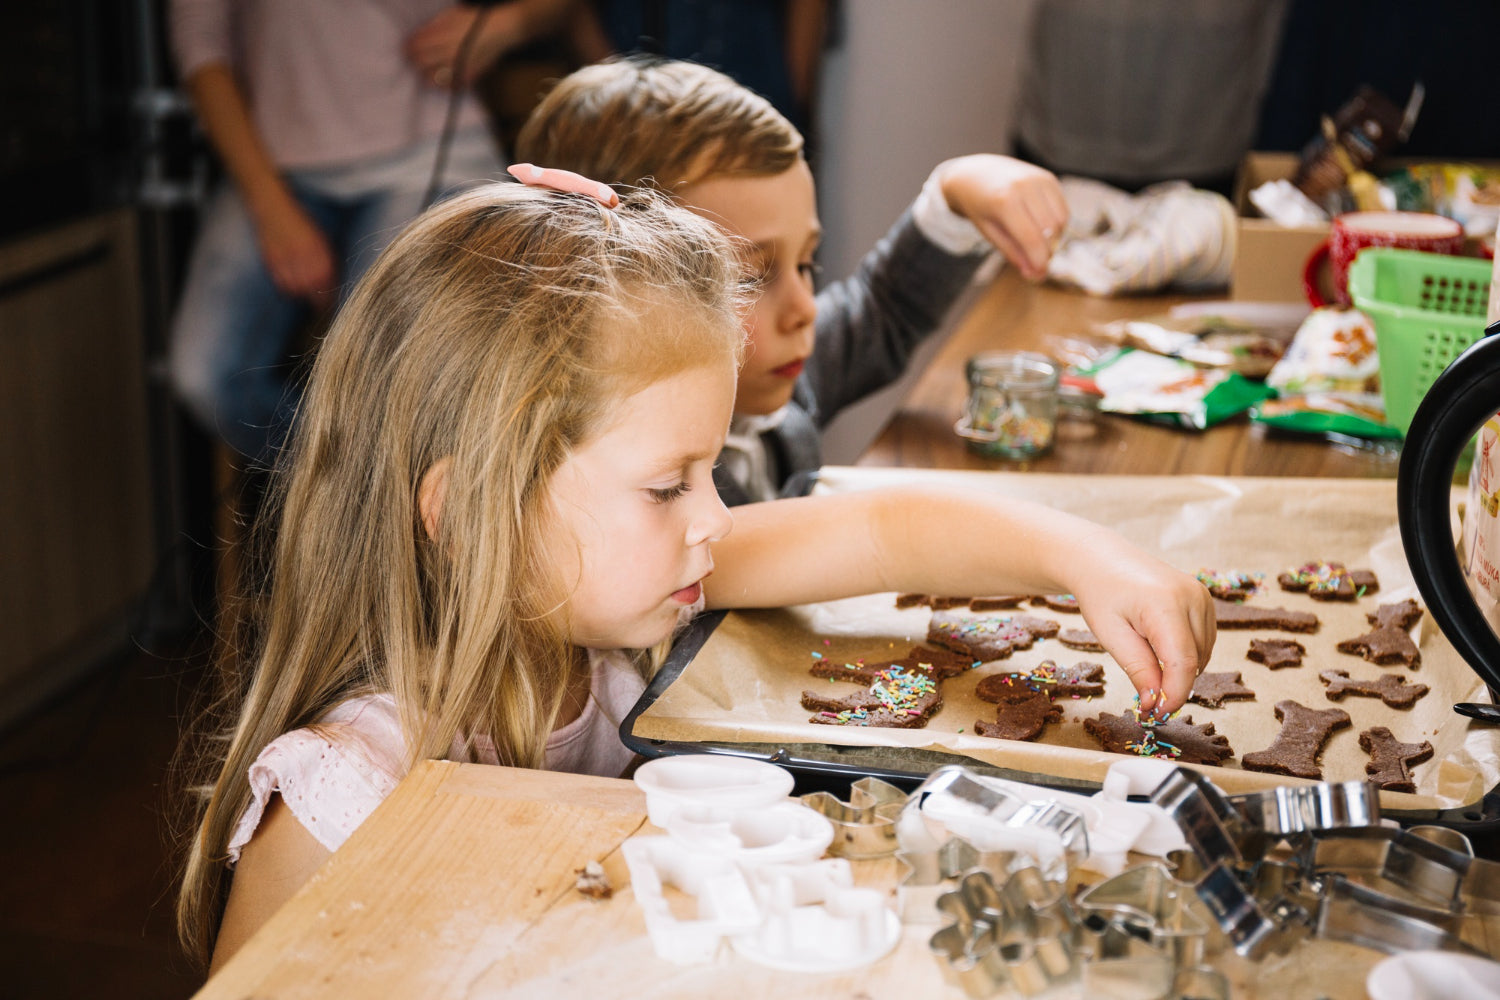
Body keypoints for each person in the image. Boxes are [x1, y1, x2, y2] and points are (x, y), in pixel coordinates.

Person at [175, 174, 1215, 970]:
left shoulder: (623, 589)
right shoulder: (344, 796)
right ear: (468, 510)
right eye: (669, 484)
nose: (715, 520)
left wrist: (1087, 556)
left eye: (711, 472)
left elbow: (887, 530)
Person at [515, 56, 1070, 505]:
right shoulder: (611, 491)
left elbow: (886, 306)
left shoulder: (776, 387)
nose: (804, 307)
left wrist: (954, 193)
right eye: (751, 279)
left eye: (807, 263)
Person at [166, 0, 573, 463]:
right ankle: (355, 499)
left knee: (377, 378)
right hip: (274, 161)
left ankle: (384, 501)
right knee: (207, 376)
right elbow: (199, 42)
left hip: (429, 150)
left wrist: (506, 23)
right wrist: (272, 209)